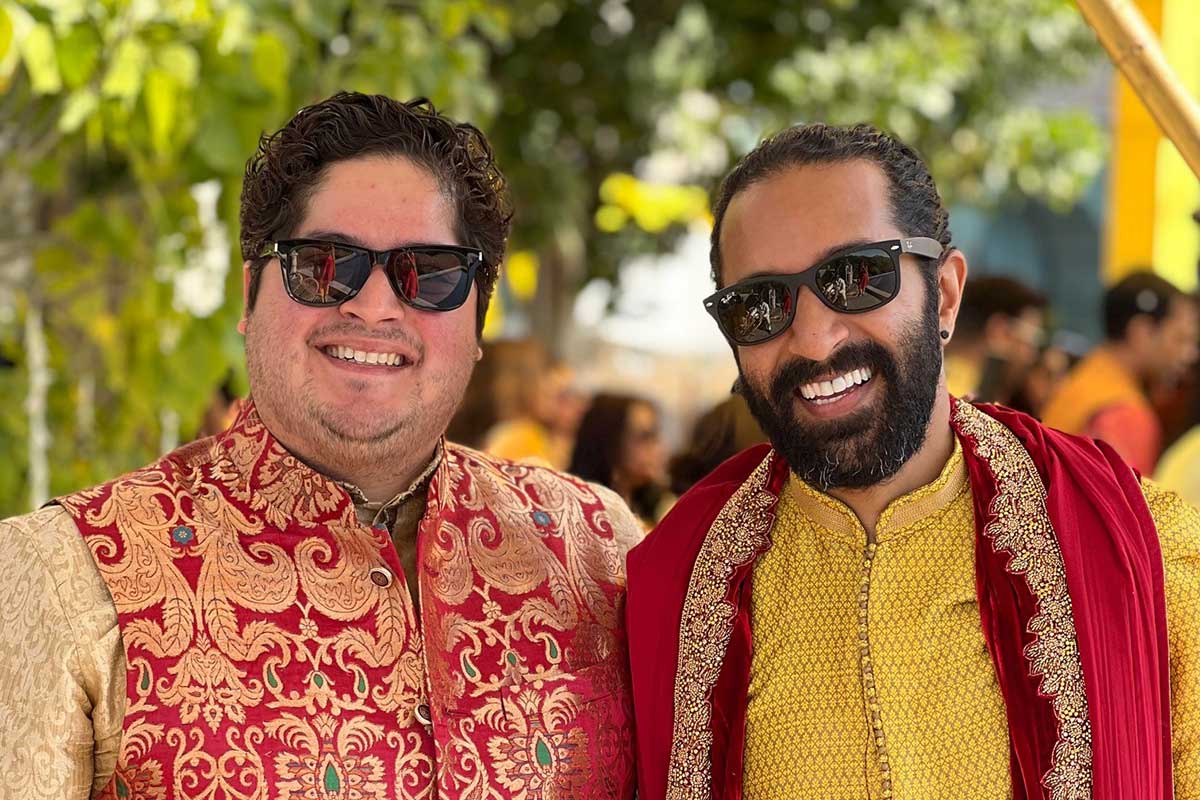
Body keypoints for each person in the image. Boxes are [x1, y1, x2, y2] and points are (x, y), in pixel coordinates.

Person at [0, 92, 641, 798]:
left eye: (428, 272)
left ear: (478, 321)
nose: (372, 305)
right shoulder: (64, 571)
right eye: (325, 264)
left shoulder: (594, 545)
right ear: (250, 297)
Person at [625, 123, 1200, 799]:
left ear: (947, 295)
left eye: (858, 277)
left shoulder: (1145, 552)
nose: (813, 341)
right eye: (760, 304)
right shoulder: (676, 588)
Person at [1042, 271, 1199, 474]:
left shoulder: (1084, 379)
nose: (1190, 355)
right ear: (1142, 332)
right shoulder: (1123, 413)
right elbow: (1129, 505)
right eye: (1180, 339)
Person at [569, 393, 669, 527]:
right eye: (645, 436)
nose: (659, 449)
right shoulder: (576, 511)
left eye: (656, 436)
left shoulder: (660, 507)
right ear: (609, 440)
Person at [943, 274, 1046, 404]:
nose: (1032, 356)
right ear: (1000, 332)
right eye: (1032, 339)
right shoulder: (959, 397)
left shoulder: (942, 384)